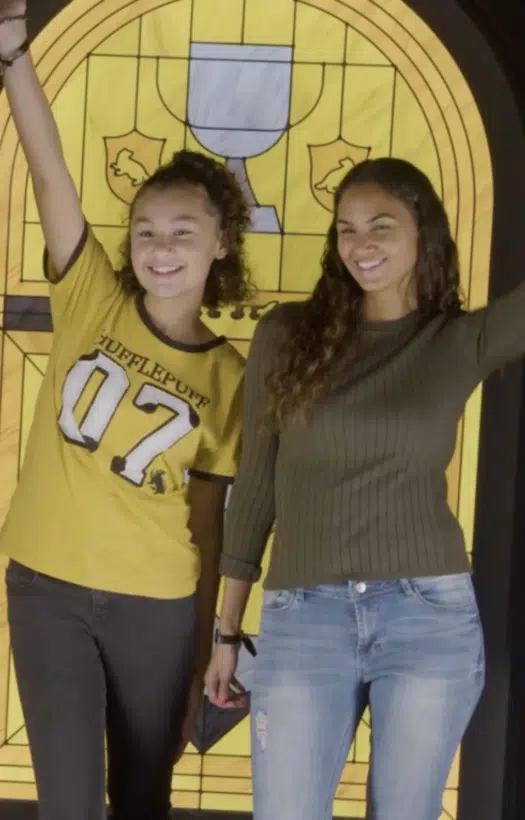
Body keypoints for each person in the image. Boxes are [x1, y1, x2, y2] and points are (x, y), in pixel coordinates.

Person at [205, 154, 525, 820]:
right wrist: (226, 633)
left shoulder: (459, 340)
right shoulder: (286, 335)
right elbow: (256, 486)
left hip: (425, 617)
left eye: (380, 224)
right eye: (345, 228)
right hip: (303, 618)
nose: (360, 244)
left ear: (422, 234)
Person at [0, 3, 251, 819]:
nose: (161, 247)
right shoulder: (89, 300)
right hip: (46, 589)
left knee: (142, 797)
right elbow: (49, 175)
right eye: (146, 230)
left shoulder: (227, 376)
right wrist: (13, 56)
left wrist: (204, 648)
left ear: (221, 243)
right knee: (68, 804)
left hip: (158, 608)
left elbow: (210, 524)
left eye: (184, 230)